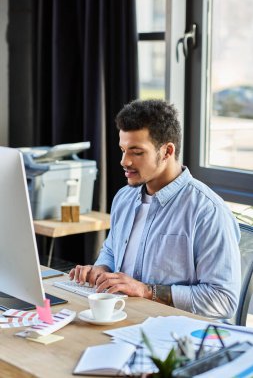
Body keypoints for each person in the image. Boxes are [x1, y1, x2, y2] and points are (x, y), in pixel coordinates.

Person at [70, 99, 241, 319]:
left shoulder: (208, 211)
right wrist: (102, 269)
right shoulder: (124, 198)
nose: (124, 161)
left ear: (167, 151)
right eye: (123, 150)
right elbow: (112, 250)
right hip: (123, 318)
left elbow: (224, 300)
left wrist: (146, 291)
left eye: (136, 152)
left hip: (174, 337)